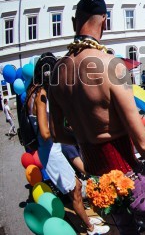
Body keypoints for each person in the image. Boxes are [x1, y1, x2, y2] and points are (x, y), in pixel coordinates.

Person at [49, 0, 145, 234]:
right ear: (105, 22)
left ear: (75, 22)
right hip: (128, 174)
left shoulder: (56, 72)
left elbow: (56, 133)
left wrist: (87, 139)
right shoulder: (110, 65)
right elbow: (144, 141)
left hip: (97, 181)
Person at [28, 53, 109, 235]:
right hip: (51, 153)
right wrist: (62, 129)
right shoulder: (41, 94)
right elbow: (45, 132)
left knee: (77, 187)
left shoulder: (33, 91)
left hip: (51, 151)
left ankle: (87, 220)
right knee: (74, 191)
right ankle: (90, 228)